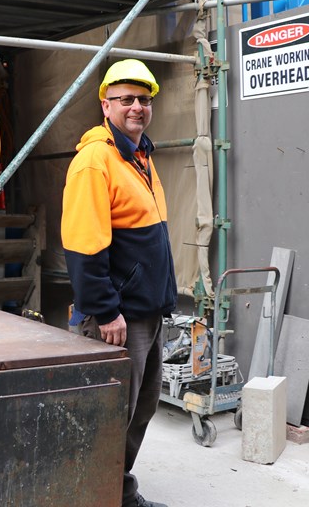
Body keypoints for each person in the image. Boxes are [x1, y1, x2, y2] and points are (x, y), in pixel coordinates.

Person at [61, 59, 176, 507]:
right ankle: (89, 497)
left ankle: (117, 494)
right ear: (105, 104)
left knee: (139, 411)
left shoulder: (141, 156)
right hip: (118, 318)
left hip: (146, 312)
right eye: (125, 99)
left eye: (143, 99)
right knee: (107, 419)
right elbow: (84, 245)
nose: (136, 107)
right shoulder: (96, 161)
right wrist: (106, 310)